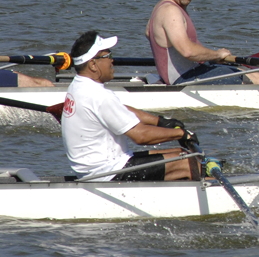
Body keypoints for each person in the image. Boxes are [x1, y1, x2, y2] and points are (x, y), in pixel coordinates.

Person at [61, 31, 199, 181]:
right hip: (106, 174)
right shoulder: (99, 96)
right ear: (93, 64)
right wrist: (182, 134)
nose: (112, 61)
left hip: (98, 167)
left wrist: (160, 122)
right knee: (189, 162)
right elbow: (141, 136)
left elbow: (119, 109)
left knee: (180, 152)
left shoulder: (78, 85)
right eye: (108, 56)